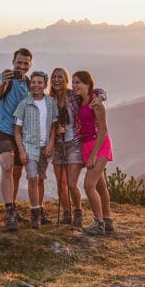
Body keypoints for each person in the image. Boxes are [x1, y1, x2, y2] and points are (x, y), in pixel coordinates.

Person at [49, 68, 106, 228]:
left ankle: (78, 212)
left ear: (65, 80)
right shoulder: (50, 100)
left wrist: (101, 97)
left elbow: (96, 90)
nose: (57, 79)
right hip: (58, 147)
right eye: (54, 77)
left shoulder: (73, 95)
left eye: (60, 77)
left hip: (74, 144)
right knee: (61, 184)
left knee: (72, 184)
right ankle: (67, 214)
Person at [0, 48, 32, 231]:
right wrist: (3, 83)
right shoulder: (3, 79)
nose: (22, 66)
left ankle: (13, 209)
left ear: (30, 64)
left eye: (25, 63)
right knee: (7, 165)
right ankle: (9, 213)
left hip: (20, 133)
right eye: (19, 63)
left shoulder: (29, 84)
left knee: (16, 172)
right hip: (1, 129)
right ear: (13, 62)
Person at [14, 71, 58, 229]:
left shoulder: (51, 103)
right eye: (33, 82)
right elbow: (17, 130)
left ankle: (40, 211)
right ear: (29, 84)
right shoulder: (24, 104)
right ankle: (34, 216)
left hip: (44, 147)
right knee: (32, 178)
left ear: (45, 85)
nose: (36, 85)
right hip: (29, 146)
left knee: (40, 179)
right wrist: (21, 151)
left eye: (40, 82)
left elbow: (54, 126)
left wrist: (51, 143)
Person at [72, 70, 114, 236]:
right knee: (100, 185)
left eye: (78, 82)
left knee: (89, 185)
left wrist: (93, 154)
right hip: (87, 145)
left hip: (100, 145)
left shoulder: (96, 103)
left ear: (88, 84)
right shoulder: (79, 100)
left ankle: (98, 223)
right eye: (73, 82)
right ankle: (108, 221)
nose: (74, 86)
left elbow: (104, 130)